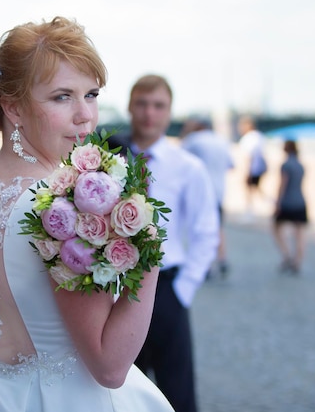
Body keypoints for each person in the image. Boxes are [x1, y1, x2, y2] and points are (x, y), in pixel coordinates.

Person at [0, 17, 173, 412]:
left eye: (91, 94)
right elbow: (109, 367)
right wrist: (149, 250)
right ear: (14, 107)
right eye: (61, 97)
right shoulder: (60, 203)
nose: (85, 115)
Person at [109, 75, 219, 412]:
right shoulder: (108, 160)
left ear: (170, 112)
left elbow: (206, 231)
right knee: (120, 387)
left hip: (169, 287)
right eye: (142, 103)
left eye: (158, 106)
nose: (149, 113)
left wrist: (184, 290)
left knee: (177, 390)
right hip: (118, 287)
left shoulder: (188, 167)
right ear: (130, 106)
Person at [180, 116, 234, 278]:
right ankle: (222, 258)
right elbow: (231, 165)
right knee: (217, 226)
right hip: (219, 191)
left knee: (199, 228)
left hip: (200, 191)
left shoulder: (194, 140)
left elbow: (177, 158)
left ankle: (206, 265)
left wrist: (186, 132)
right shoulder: (222, 141)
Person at [272, 139, 307, 273]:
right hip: (300, 201)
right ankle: (297, 261)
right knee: (300, 233)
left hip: (288, 202)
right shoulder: (300, 165)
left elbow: (282, 185)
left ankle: (287, 255)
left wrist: (278, 203)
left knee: (276, 228)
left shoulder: (286, 165)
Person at [237, 115, 267, 219]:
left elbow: (248, 157)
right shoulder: (259, 136)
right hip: (260, 168)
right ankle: (270, 203)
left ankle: (249, 212)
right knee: (257, 188)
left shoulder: (248, 138)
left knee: (249, 191)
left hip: (252, 169)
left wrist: (246, 172)